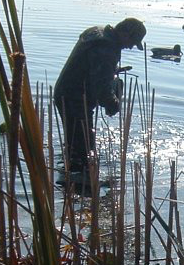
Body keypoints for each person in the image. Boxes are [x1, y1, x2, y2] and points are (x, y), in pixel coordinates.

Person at [53, 17, 146, 173]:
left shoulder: (97, 32)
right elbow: (101, 87)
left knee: (75, 145)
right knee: (84, 150)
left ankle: (72, 175)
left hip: (66, 93)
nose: (130, 47)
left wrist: (112, 70)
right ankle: (78, 180)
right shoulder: (106, 47)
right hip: (74, 100)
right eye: (132, 41)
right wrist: (114, 104)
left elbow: (91, 67)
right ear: (125, 33)